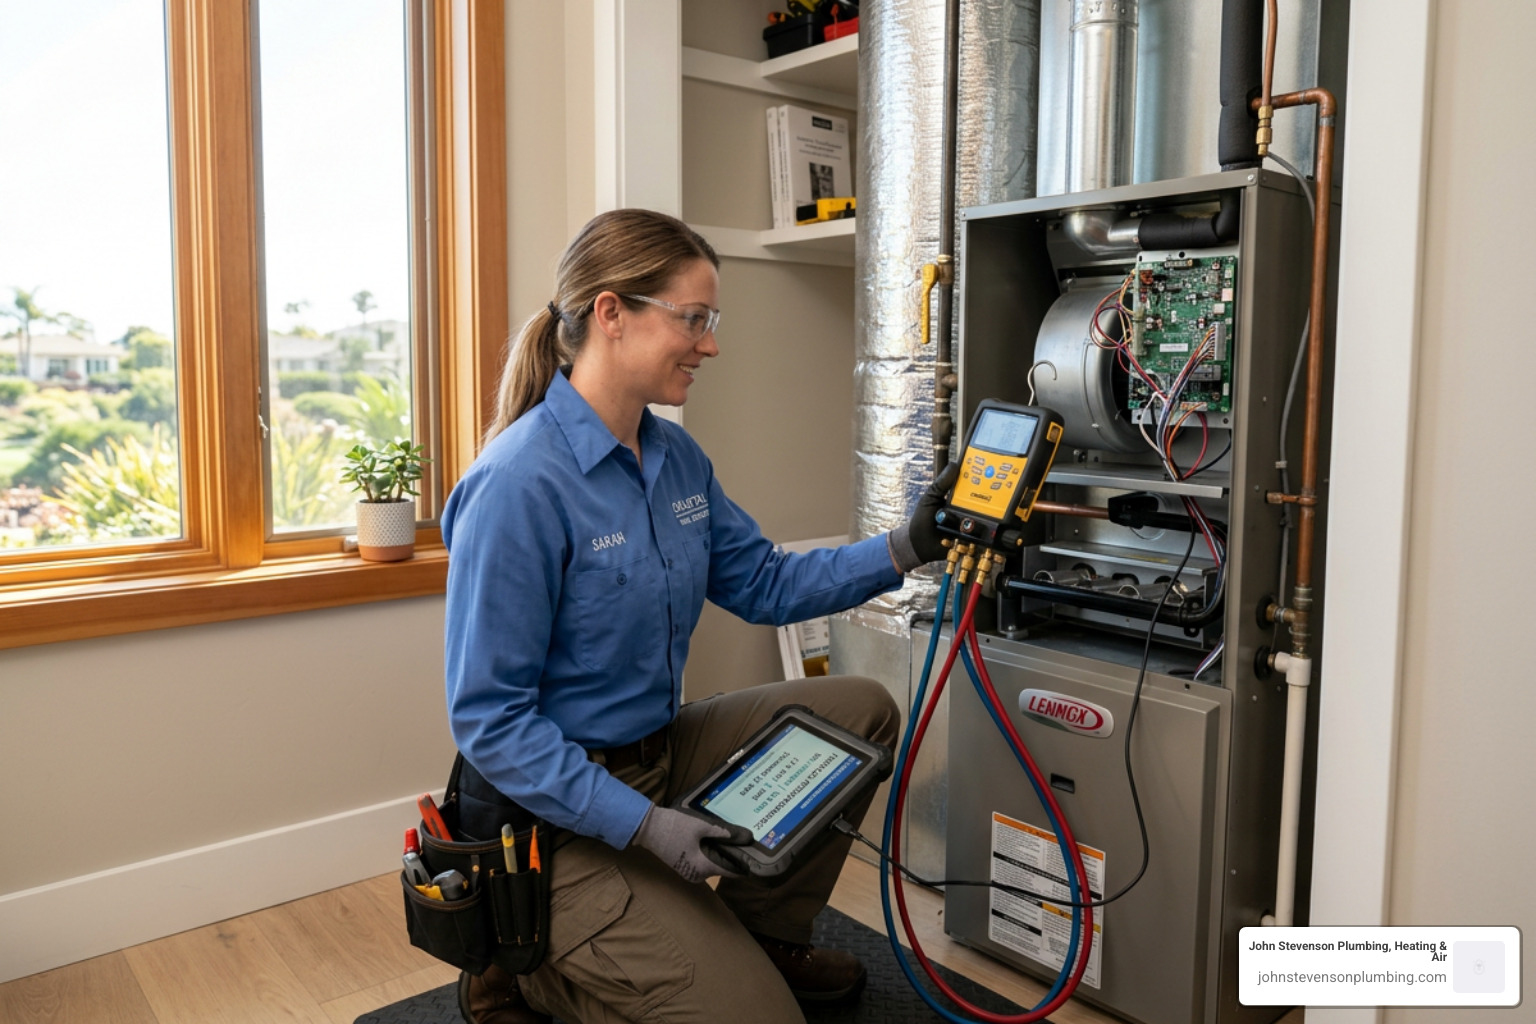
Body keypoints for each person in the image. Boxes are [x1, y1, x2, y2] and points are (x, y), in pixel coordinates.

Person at [442, 209, 950, 1024]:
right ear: (611, 313)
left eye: (711, 322)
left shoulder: (674, 457)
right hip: (553, 820)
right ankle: (527, 967)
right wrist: (644, 827)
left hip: (661, 754)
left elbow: (766, 584)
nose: (709, 345)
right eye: (693, 319)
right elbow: (490, 724)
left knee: (861, 711)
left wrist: (906, 546)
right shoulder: (517, 485)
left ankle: (762, 935)